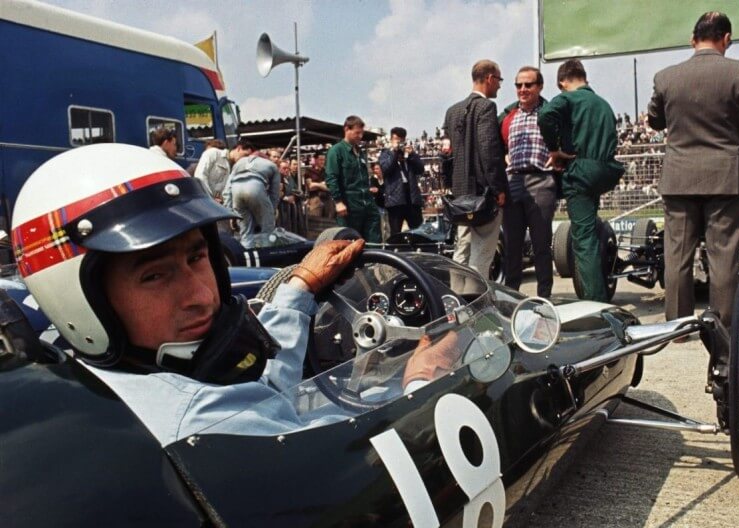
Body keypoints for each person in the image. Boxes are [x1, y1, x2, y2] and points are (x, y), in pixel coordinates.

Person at [10, 143, 459, 446]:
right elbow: (355, 456)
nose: (201, 295)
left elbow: (258, 389)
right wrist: (419, 384)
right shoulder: (204, 427)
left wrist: (298, 288)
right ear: (82, 300)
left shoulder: (112, 382)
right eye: (154, 276)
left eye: (196, 256)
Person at [647, 11, 739, 327]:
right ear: (726, 39)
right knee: (724, 256)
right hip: (725, 177)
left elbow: (655, 120)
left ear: (693, 39)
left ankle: (678, 324)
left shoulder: (665, 77)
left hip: (680, 176)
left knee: (677, 256)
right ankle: (721, 325)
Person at [538, 59, 624, 302]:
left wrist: (554, 149)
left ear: (563, 82)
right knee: (591, 230)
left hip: (581, 171)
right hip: (606, 170)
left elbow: (545, 115)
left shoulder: (568, 98)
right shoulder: (604, 104)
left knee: (583, 239)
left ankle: (595, 303)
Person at [442, 60, 508, 285]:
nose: (499, 85)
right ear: (489, 78)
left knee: (462, 248)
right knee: (482, 253)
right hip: (482, 194)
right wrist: (498, 188)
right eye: (499, 80)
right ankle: (474, 301)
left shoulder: (452, 111)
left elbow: (447, 155)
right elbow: (489, 150)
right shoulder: (486, 107)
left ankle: (455, 297)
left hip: (461, 195)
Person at [498, 66, 556, 298]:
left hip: (541, 180)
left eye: (528, 85)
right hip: (513, 181)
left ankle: (544, 298)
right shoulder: (508, 117)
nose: (523, 89)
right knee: (512, 246)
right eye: (519, 85)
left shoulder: (550, 112)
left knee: (541, 244)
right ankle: (511, 297)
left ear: (539, 86)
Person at [325, 116, 382, 243]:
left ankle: (375, 261)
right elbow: (331, 178)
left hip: (366, 202)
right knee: (350, 242)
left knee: (374, 239)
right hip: (349, 204)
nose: (360, 136)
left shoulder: (359, 151)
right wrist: (338, 202)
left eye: (362, 133)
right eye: (357, 133)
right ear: (347, 129)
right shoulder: (336, 151)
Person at [222, 141, 281, 247]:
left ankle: (248, 259)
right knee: (267, 230)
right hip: (256, 187)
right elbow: (274, 194)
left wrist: (230, 213)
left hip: (236, 190)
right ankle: (266, 259)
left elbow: (227, 190)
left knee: (245, 233)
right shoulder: (272, 166)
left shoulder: (238, 163)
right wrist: (270, 212)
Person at [378, 127, 425, 234]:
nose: (400, 143)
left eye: (402, 140)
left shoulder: (408, 155)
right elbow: (386, 169)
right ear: (391, 140)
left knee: (418, 232)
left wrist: (412, 155)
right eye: (397, 140)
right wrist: (394, 152)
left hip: (412, 199)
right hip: (395, 200)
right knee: (395, 234)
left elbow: (420, 169)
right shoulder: (385, 154)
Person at [305, 153, 335, 220]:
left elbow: (330, 187)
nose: (323, 162)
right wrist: (322, 184)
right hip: (315, 199)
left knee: (329, 221)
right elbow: (310, 187)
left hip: (327, 199)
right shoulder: (309, 171)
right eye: (320, 160)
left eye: (324, 160)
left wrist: (316, 184)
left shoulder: (327, 172)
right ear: (315, 160)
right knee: (315, 221)